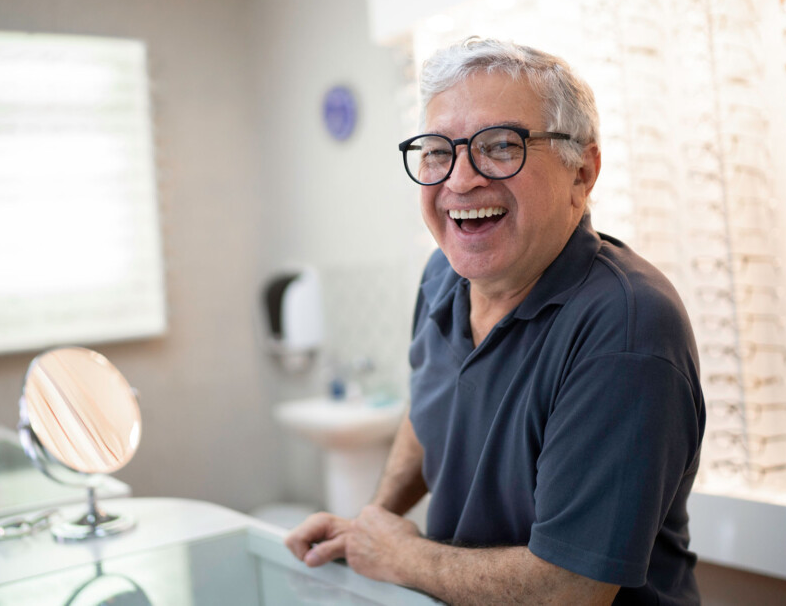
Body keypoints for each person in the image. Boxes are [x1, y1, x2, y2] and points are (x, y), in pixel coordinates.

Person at [285, 37, 705, 605]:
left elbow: (570, 589)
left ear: (582, 172)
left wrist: (399, 555)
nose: (459, 180)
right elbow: (430, 408)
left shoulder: (626, 330)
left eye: (500, 146)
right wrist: (374, 521)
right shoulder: (444, 276)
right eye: (437, 151)